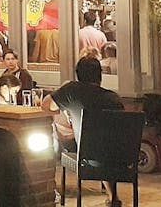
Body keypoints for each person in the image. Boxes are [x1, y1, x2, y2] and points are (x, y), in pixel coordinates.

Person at [41, 55, 124, 207]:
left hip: (86, 157)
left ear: (78, 74)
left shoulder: (72, 90)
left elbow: (46, 106)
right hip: (121, 159)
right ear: (99, 75)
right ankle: (113, 197)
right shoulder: (114, 98)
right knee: (102, 147)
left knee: (71, 138)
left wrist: (65, 111)